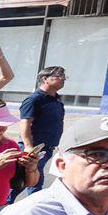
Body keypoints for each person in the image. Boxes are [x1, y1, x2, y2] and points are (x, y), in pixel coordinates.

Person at [15, 65, 67, 198]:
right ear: (45, 79)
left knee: (33, 181)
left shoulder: (56, 99)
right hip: (34, 148)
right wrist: (28, 146)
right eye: (58, 76)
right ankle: (2, 208)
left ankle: (33, 208)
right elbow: (25, 124)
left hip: (46, 148)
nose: (63, 79)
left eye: (64, 76)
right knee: (24, 181)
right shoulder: (34, 99)